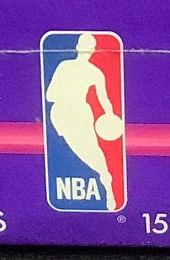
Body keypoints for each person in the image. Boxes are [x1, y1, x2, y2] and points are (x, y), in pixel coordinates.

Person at [43, 33, 120, 209]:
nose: (88, 51)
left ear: (94, 50)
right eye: (85, 47)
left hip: (82, 113)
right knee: (75, 149)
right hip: (61, 113)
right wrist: (66, 94)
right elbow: (49, 95)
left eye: (91, 48)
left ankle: (107, 180)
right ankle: (104, 175)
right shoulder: (64, 66)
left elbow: (104, 99)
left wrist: (110, 116)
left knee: (92, 149)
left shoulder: (95, 72)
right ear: (77, 47)